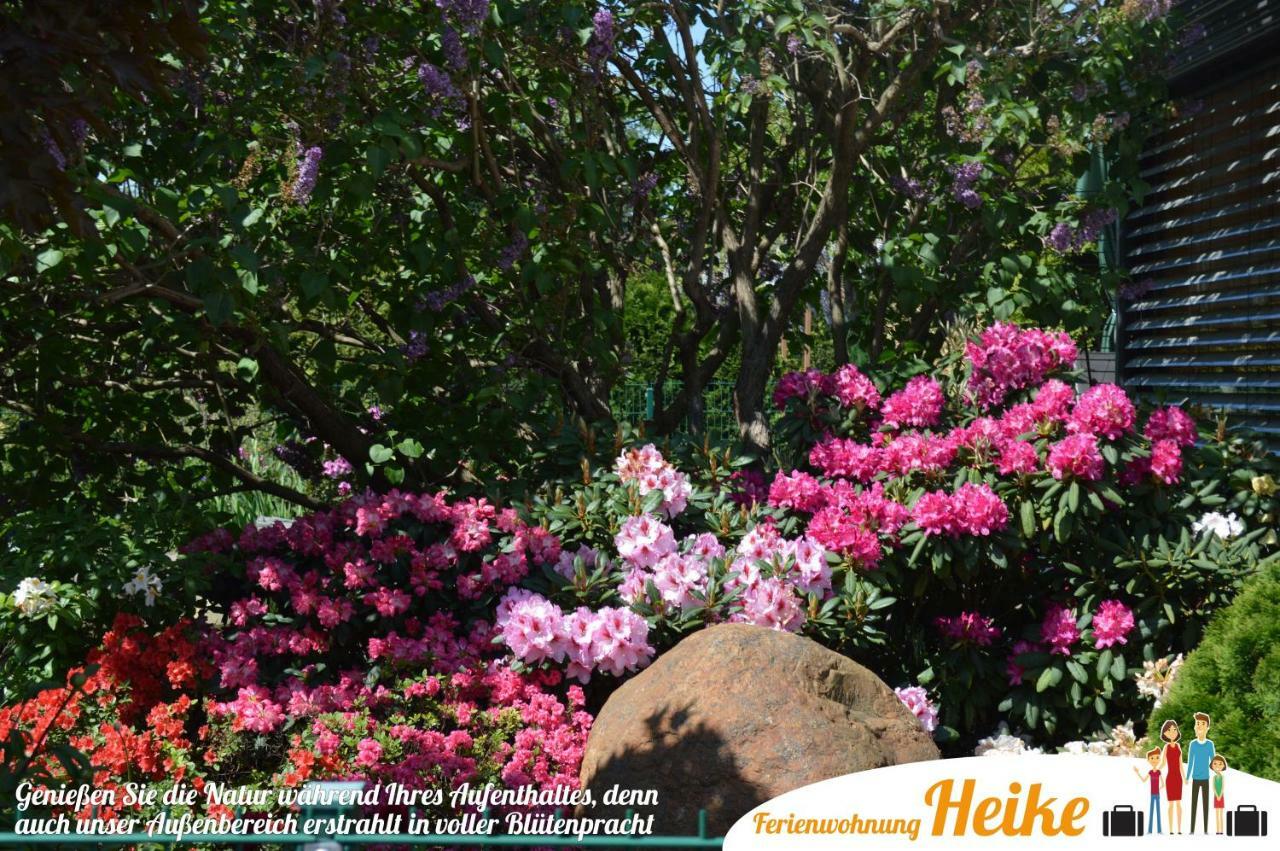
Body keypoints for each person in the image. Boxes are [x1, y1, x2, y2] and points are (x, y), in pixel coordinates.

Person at [1186, 712, 1216, 834]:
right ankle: (1192, 829)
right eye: (1197, 723)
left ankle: (1205, 830)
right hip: (1195, 778)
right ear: (1195, 727)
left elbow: (1213, 761)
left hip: (1206, 779)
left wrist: (1218, 774)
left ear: (1207, 727)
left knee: (1205, 805)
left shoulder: (1210, 744)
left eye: (1202, 724)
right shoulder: (1193, 744)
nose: (1199, 726)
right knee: (1194, 804)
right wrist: (1187, 777)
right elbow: (1190, 762)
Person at [1157, 718, 1184, 834]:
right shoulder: (1166, 747)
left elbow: (1180, 763)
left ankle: (1179, 829)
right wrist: (1155, 770)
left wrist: (1185, 777)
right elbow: (1162, 763)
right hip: (1170, 778)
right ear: (1165, 734)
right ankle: (1171, 830)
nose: (1173, 732)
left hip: (1179, 778)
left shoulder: (1178, 746)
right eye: (1169, 731)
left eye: (1174, 730)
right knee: (1171, 804)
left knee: (1178, 804)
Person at [1133, 747, 1164, 834]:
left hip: (1157, 795)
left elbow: (1163, 784)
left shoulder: (1158, 772)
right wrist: (1137, 772)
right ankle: (1150, 830)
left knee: (1158, 812)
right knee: (1151, 812)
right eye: (1152, 758)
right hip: (1152, 794)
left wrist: (1159, 789)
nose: (1154, 760)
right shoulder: (1150, 772)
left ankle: (1159, 830)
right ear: (1149, 760)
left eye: (1157, 758)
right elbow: (1143, 780)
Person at [1211, 755, 1228, 835]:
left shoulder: (1222, 777)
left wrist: (1220, 795)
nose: (1217, 766)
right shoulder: (1214, 777)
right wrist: (1216, 795)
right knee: (1217, 814)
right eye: (1215, 764)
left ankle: (1221, 830)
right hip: (1216, 796)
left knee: (1220, 814)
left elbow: (1222, 787)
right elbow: (1213, 787)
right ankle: (1217, 830)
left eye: (1220, 764)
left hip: (1221, 796)